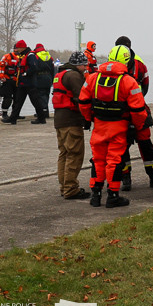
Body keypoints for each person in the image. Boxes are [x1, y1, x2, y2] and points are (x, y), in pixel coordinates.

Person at [78, 45, 149, 208]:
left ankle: (95, 195)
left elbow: (83, 102)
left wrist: (89, 118)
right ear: (127, 60)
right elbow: (139, 110)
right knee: (114, 161)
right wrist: (137, 126)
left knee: (98, 160)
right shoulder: (129, 82)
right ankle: (113, 196)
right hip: (119, 127)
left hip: (99, 126)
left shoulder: (92, 78)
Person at [115, 35, 153, 191]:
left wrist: (134, 101)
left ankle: (142, 177)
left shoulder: (139, 66)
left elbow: (144, 87)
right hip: (130, 112)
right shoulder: (139, 65)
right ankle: (139, 177)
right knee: (136, 147)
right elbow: (145, 87)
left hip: (132, 112)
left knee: (139, 147)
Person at [52, 52, 90, 200]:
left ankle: (64, 187)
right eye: (84, 64)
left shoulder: (61, 74)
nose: (86, 67)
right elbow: (81, 98)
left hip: (59, 120)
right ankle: (71, 189)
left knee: (64, 154)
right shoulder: (74, 76)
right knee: (75, 154)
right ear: (78, 64)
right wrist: (87, 117)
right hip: (71, 121)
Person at [3, 40, 35, 124]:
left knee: (35, 100)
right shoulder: (21, 55)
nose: (17, 50)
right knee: (18, 100)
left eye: (18, 48)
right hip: (20, 82)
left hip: (28, 82)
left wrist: (25, 73)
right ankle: (13, 118)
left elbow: (33, 67)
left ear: (22, 47)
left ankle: (42, 117)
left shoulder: (30, 55)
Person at [29, 43, 56, 124]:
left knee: (40, 95)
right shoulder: (49, 56)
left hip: (39, 77)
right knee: (46, 94)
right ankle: (45, 112)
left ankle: (41, 113)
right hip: (48, 77)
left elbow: (34, 67)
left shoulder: (36, 56)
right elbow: (52, 68)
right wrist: (52, 79)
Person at [0, 43, 24, 119]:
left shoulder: (22, 57)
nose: (17, 50)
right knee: (8, 98)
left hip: (17, 81)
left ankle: (15, 114)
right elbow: (1, 66)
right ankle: (4, 113)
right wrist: (2, 76)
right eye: (16, 49)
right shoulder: (7, 57)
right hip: (7, 80)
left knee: (17, 98)